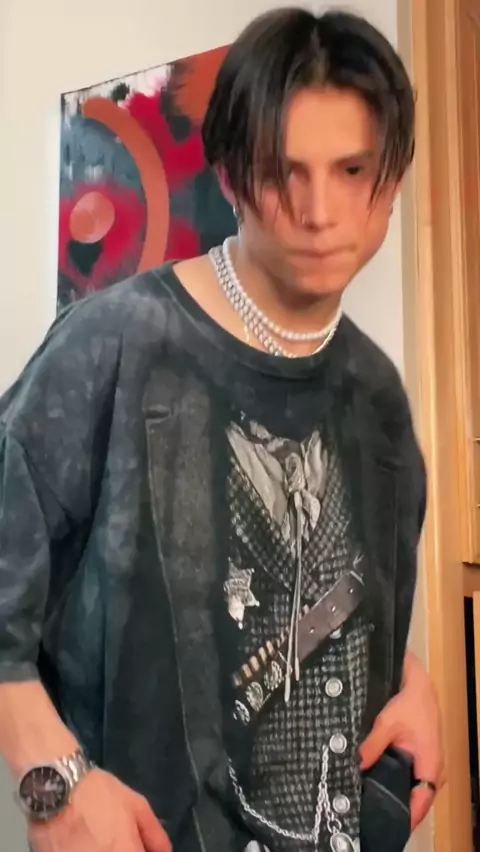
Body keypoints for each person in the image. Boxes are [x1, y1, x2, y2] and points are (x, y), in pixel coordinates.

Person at [0, 7, 444, 852]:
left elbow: (343, 599)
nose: (320, 210)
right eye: (285, 171)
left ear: (390, 184)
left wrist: (407, 676)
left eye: (352, 169)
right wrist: (53, 785)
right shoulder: (114, 346)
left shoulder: (378, 395)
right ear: (234, 177)